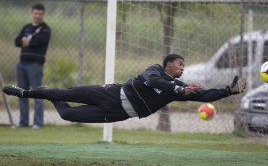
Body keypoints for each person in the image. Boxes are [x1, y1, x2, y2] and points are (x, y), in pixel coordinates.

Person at [3, 54, 246, 123]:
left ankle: (48, 94)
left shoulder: (178, 88)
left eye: (184, 66)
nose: (183, 69)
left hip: (118, 112)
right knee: (65, 92)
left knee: (67, 113)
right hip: (110, 92)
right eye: (180, 65)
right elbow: (152, 82)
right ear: (169, 64)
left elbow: (203, 94)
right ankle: (25, 92)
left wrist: (228, 91)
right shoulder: (155, 70)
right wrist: (179, 89)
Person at [14, 3, 51, 128]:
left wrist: (28, 41)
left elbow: (39, 42)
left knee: (37, 94)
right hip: (22, 64)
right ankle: (23, 123)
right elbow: (17, 41)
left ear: (43, 15)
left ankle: (38, 123)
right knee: (22, 94)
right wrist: (27, 41)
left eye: (40, 14)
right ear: (32, 13)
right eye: (35, 13)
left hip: (35, 65)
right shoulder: (26, 27)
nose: (37, 16)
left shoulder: (46, 29)